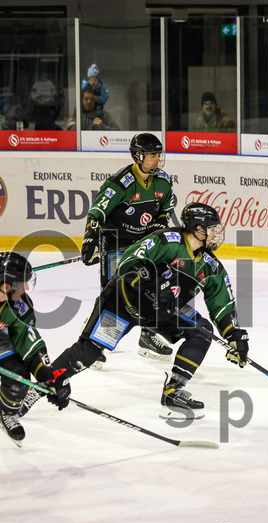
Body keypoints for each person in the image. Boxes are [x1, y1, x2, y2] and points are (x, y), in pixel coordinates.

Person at [46, 203, 248, 420]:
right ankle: (39, 386)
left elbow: (223, 304)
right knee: (89, 351)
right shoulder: (166, 241)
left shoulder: (211, 267)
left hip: (159, 313)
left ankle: (173, 393)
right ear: (197, 228)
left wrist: (234, 335)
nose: (216, 234)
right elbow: (129, 262)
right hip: (123, 303)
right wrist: (150, 286)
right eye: (211, 228)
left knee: (202, 331)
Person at [80, 132, 176, 366]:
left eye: (158, 153)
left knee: (154, 289)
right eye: (152, 154)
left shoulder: (163, 181)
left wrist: (159, 225)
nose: (157, 158)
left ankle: (148, 335)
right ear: (138, 155)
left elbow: (165, 210)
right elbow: (97, 213)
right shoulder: (119, 183)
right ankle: (93, 345)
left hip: (143, 244)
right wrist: (90, 240)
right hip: (115, 241)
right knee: (115, 294)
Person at [0, 253, 72, 445]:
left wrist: (49, 376)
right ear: (5, 285)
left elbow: (28, 342)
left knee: (18, 375)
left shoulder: (19, 305)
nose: (26, 288)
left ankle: (6, 412)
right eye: (21, 283)